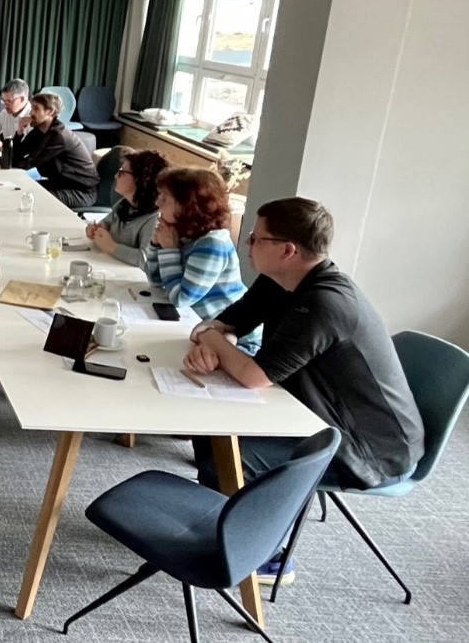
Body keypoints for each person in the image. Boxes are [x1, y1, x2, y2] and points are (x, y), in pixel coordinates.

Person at [187, 198, 424, 584]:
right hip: (315, 413)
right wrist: (211, 341)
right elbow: (224, 324)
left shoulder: (325, 302)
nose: (246, 244)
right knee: (210, 429)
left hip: (367, 448)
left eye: (254, 238)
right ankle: (225, 522)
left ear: (286, 250)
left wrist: (215, 344)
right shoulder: (279, 280)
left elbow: (253, 375)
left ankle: (265, 556)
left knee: (225, 457)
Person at [144, 167, 250, 337]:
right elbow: (155, 280)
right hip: (195, 325)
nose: (157, 203)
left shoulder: (213, 244)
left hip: (230, 336)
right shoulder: (185, 234)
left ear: (188, 206)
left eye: (165, 198)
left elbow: (181, 299)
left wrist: (169, 250)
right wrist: (157, 245)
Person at [0, 92, 97, 209]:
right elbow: (18, 154)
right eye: (32, 108)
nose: (31, 113)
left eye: (36, 109)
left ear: (51, 112)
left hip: (81, 192)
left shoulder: (59, 135)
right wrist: (19, 132)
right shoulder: (39, 130)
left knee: (30, 199)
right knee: (18, 190)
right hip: (60, 184)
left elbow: (29, 163)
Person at [85, 149, 170, 269]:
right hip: (111, 266)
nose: (115, 176)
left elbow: (145, 259)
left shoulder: (155, 218)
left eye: (122, 172)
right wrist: (96, 229)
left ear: (140, 179)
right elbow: (106, 223)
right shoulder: (124, 204)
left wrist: (111, 246)